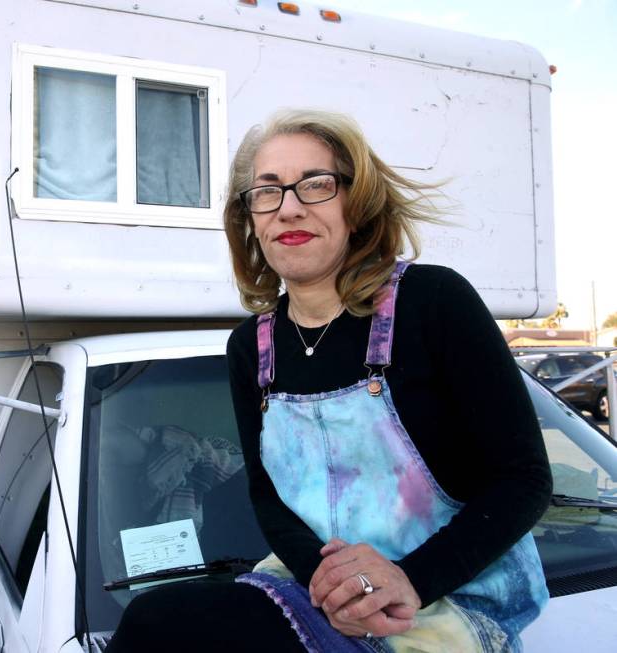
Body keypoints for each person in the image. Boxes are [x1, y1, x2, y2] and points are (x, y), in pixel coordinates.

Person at [107, 109, 551, 653]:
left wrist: (407, 580)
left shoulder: (433, 302)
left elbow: (523, 479)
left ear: (355, 204)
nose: (288, 206)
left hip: (450, 599)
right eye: (266, 191)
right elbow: (268, 497)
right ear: (250, 218)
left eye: (315, 185)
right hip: (314, 592)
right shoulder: (252, 347)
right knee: (156, 623)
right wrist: (334, 585)